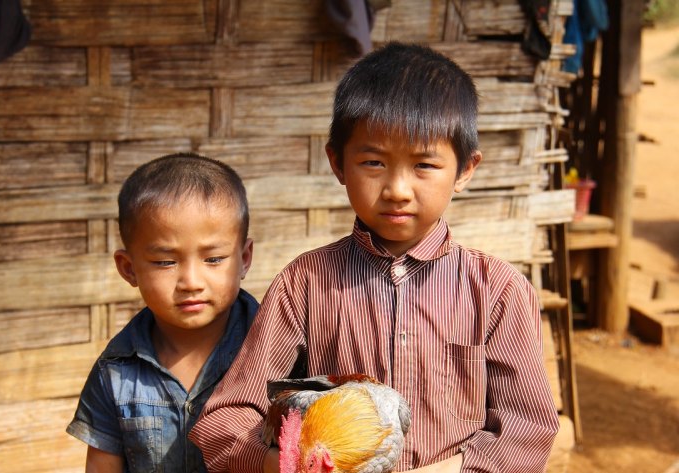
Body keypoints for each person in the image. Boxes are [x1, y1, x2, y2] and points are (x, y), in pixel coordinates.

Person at [189, 42, 560, 473]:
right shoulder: (305, 283)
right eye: (373, 162)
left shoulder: (499, 292)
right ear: (337, 163)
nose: (398, 189)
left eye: (424, 165)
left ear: (465, 170)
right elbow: (225, 419)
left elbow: (527, 431)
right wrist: (292, 464)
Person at [66, 153, 258, 472]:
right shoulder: (115, 372)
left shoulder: (277, 351)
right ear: (129, 269)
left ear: (245, 258)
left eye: (213, 259)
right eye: (165, 262)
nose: (191, 282)